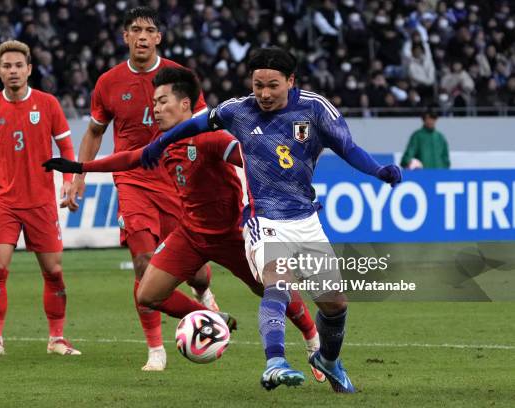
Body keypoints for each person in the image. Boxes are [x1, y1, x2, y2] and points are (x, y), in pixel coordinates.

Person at [140, 47, 402, 392]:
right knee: (276, 281)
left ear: (291, 81)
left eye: (272, 85)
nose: (263, 93)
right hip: (262, 218)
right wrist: (160, 143)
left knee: (335, 305)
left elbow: (348, 148)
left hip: (305, 219)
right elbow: (197, 123)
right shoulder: (238, 111)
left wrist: (378, 170)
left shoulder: (315, 109)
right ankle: (275, 361)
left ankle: (328, 360)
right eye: (257, 84)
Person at [44, 67, 326, 382]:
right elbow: (130, 158)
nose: (156, 108)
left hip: (232, 236)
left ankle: (313, 340)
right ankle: (209, 317)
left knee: (273, 289)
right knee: (147, 294)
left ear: (185, 105)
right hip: (190, 234)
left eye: (163, 101)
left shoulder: (210, 137)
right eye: (154, 102)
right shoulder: (165, 141)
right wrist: (80, 166)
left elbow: (248, 157)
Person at [61, 7, 216, 371]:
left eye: (149, 30)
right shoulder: (108, 82)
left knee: (195, 270)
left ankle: (203, 292)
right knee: (143, 265)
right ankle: (155, 349)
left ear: (159, 37)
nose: (142, 36)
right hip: (133, 182)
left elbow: (204, 125)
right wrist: (79, 176)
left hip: (179, 181)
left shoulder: (181, 78)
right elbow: (96, 132)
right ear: (125, 37)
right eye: (135, 30)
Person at [0, 40, 80, 357]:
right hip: (5, 202)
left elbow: (65, 149)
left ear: (29, 69)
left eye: (19, 65)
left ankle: (56, 339)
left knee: (54, 272)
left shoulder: (48, 105)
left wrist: (68, 180)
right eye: (7, 66)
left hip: (41, 202)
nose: (13, 71)